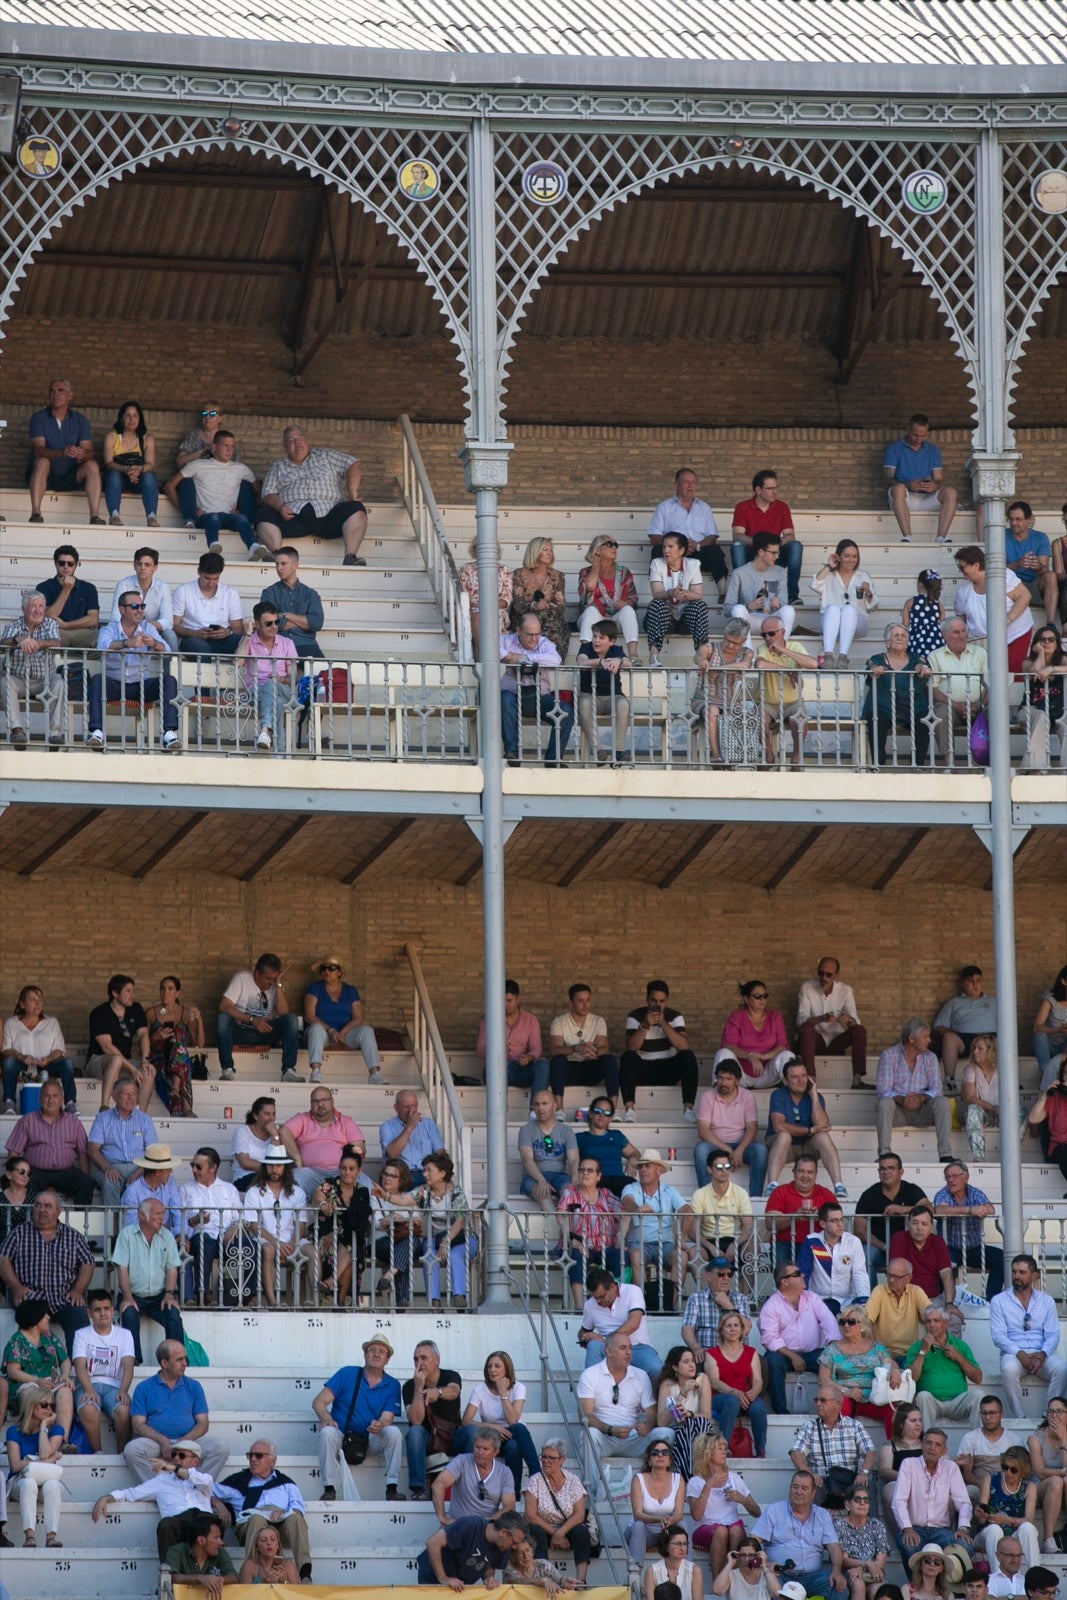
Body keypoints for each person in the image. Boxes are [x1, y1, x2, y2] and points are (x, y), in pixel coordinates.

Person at [255, 424, 368, 565]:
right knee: (262, 513)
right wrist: (280, 507)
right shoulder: (278, 466)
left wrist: (353, 493)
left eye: (300, 438)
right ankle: (279, 556)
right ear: (285, 446)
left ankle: (350, 557)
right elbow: (267, 494)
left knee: (355, 508)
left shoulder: (325, 456)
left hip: (329, 516)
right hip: (292, 518)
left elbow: (353, 463)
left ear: (307, 440)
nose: (297, 443)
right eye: (291, 440)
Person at [87, 585, 181, 751]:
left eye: (142, 606)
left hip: (140, 686)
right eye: (135, 607)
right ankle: (96, 732)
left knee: (169, 681)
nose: (140, 611)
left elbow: (168, 650)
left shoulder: (148, 628)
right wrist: (126, 643)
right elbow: (102, 647)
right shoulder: (110, 628)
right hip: (116, 684)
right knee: (97, 680)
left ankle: (170, 734)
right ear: (122, 609)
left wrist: (155, 644)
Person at [93, 1435, 217, 1560]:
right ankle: (168, 1571)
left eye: (182, 1456)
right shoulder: (162, 1481)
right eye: (174, 1455)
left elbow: (203, 1482)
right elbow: (132, 1493)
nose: (176, 1458)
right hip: (179, 1523)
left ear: (195, 1461)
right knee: (166, 1525)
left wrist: (173, 1468)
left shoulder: (204, 1479)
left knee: (212, 1524)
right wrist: (107, 1497)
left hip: (202, 1521)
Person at [313, 1336, 404, 1503]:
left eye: (382, 1351)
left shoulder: (392, 1384)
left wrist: (380, 1424)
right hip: (342, 1435)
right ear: (365, 1354)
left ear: (387, 1359)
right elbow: (319, 1401)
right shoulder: (347, 1373)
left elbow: (387, 1418)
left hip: (370, 1438)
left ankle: (392, 1487)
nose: (376, 1354)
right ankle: (329, 1489)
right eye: (372, 1350)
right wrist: (326, 1418)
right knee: (326, 1432)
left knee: (393, 1432)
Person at [125, 1338, 229, 1483]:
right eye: (179, 1360)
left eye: (185, 1359)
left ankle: (195, 1485)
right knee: (131, 1450)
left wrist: (183, 1443)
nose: (185, 1363)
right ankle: (157, 1488)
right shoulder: (144, 1388)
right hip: (156, 1443)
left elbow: (203, 1423)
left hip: (188, 1441)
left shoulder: (194, 1386)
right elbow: (137, 1425)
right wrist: (163, 1441)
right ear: (164, 1363)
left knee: (220, 1448)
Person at [0, 1189, 94, 1349]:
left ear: (59, 1210)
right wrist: (16, 1287)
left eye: (48, 1206)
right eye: (38, 1205)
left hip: (64, 1298)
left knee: (79, 1318)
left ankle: (77, 1367)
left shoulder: (73, 1236)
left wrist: (78, 1291)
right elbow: (3, 1259)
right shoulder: (19, 1233)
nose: (41, 1210)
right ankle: (25, 1367)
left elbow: (88, 1263)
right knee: (28, 1322)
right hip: (31, 1297)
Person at [216, 1436, 312, 1578]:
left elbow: (298, 1508)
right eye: (250, 1455)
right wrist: (218, 1504)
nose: (253, 1459)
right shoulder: (239, 1481)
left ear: (273, 1460)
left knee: (296, 1519)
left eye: (259, 1455)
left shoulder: (286, 1484)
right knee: (257, 1519)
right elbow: (206, 1489)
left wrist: (285, 1511)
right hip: (251, 1526)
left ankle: (305, 1573)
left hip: (279, 1529)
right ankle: (252, 1571)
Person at [576, 1329, 673, 1465]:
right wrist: (610, 1429)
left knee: (666, 1433)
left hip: (633, 1437)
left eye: (630, 1348)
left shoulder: (641, 1375)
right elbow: (584, 1415)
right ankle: (592, 1486)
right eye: (623, 1348)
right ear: (608, 1351)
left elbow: (652, 1414)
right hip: (604, 1436)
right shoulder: (590, 1375)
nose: (629, 1353)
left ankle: (655, 1483)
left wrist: (647, 1426)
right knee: (588, 1435)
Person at [989, 1255, 1067, 1418]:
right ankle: (1020, 1417)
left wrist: (1043, 1354)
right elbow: (998, 1336)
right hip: (1014, 1354)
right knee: (1008, 1369)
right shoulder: (999, 1301)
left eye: (1022, 1272)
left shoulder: (1047, 1301)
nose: (1016, 1276)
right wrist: (1019, 1353)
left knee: (1061, 1369)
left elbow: (1053, 1334)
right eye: (1014, 1272)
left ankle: (1048, 1416)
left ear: (1034, 1275)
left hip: (1040, 1354)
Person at [758, 1259, 839, 1414]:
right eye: (796, 1274)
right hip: (784, 1355)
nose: (803, 1275)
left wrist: (833, 1347)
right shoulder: (771, 1305)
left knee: (832, 1359)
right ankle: (780, 1411)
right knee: (772, 1361)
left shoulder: (812, 1298)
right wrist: (793, 1356)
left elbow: (829, 1322)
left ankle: (832, 1408)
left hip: (812, 1353)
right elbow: (770, 1338)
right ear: (784, 1282)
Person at [751, 1469, 847, 1598]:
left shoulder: (822, 1515)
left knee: (839, 1587)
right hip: (781, 1575)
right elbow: (753, 1542)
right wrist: (765, 1565)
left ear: (813, 1493)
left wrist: (836, 1571)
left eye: (804, 1488)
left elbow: (834, 1548)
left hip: (813, 1577)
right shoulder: (774, 1511)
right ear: (790, 1489)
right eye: (795, 1487)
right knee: (768, 1583)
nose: (799, 1492)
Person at [456, 1350, 540, 1496]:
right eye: (489, 1366)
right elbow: (466, 1421)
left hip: (511, 1436)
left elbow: (512, 1420)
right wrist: (493, 1427)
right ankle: (537, 1476)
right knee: (519, 1429)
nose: (492, 1370)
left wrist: (503, 1393)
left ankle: (515, 1493)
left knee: (515, 1438)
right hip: (490, 1438)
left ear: (507, 1368)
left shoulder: (519, 1387)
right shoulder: (481, 1389)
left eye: (497, 1366)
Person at [112, 1196, 185, 1363]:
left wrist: (169, 1294)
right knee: (129, 1313)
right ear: (142, 1216)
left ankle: (177, 1358)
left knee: (173, 1314)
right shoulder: (127, 1235)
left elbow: (172, 1268)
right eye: (158, 1214)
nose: (162, 1218)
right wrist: (128, 1297)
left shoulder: (166, 1236)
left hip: (160, 1295)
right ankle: (134, 1360)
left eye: (163, 1213)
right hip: (133, 1294)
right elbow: (121, 1268)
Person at [166, 430, 262, 557]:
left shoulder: (241, 468)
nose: (229, 450)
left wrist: (243, 509)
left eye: (232, 446)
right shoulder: (198, 465)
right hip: (206, 516)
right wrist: (187, 510)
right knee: (214, 518)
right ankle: (213, 545)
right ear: (214, 447)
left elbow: (261, 491)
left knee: (242, 519)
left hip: (229, 516)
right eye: (225, 445)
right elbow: (169, 486)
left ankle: (253, 548)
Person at [765, 1060, 849, 1198]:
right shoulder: (778, 1094)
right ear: (786, 1080)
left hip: (807, 1147)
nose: (800, 1080)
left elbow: (822, 1125)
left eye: (804, 1075)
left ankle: (839, 1186)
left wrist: (814, 1095)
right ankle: (772, 1186)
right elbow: (779, 1125)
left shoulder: (815, 1096)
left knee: (823, 1136)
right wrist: (810, 1131)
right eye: (794, 1077)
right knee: (784, 1136)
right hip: (784, 1148)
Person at [500, 612, 574, 766]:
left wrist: (522, 658)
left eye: (537, 634)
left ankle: (553, 760)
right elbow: (493, 650)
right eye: (529, 634)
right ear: (518, 630)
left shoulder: (544, 643)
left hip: (540, 698)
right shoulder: (506, 640)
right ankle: (512, 753)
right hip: (513, 696)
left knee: (565, 710)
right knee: (505, 700)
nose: (534, 639)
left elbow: (556, 660)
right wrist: (508, 656)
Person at [621, 1150, 691, 1311]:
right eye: (641, 1167)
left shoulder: (669, 1190)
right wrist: (638, 1208)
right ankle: (641, 1305)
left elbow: (688, 1210)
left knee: (681, 1256)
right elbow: (627, 1202)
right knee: (636, 1255)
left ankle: (670, 1305)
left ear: (659, 1170)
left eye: (647, 1166)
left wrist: (682, 1236)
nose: (643, 1170)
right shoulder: (631, 1187)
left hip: (665, 1244)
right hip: (639, 1243)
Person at [216, 953, 301, 1084]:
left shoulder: (275, 985)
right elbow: (224, 1006)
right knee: (222, 1019)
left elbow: (284, 1013)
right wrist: (251, 1019)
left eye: (274, 978)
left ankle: (289, 1071)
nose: (270, 982)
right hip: (241, 1032)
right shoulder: (242, 978)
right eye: (268, 978)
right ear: (257, 974)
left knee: (291, 1019)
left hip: (265, 1033)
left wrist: (278, 984)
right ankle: (227, 1070)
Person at [620, 981, 699, 1123]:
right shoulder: (635, 1016)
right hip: (643, 1069)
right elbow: (631, 1047)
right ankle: (630, 1110)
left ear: (666, 1000)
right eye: (653, 1000)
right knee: (627, 1057)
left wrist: (663, 1023)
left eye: (662, 1001)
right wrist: (645, 1025)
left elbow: (684, 1046)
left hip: (667, 1069)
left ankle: (688, 1109)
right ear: (647, 999)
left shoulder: (675, 1016)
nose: (658, 1005)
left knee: (688, 1056)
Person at [26, 378, 103, 524]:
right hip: (44, 476)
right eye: (52, 391)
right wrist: (62, 452)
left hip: (70, 476)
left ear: (70, 396)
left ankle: (95, 516)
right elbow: (39, 449)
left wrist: (82, 453)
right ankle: (36, 513)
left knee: (92, 465)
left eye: (61, 390)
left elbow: (89, 451)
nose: (55, 394)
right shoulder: (39, 418)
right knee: (42, 462)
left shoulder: (80, 420)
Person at [242, 1145, 311, 1306]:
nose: (274, 1169)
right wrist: (277, 1243)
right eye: (270, 1165)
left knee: (313, 1252)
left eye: (278, 1166)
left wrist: (293, 1244)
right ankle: (273, 1302)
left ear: (285, 1168)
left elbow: (301, 1223)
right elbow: (253, 1225)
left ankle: (314, 1300)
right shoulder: (254, 1192)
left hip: (292, 1240)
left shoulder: (297, 1192)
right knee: (268, 1250)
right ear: (265, 1167)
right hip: (264, 1240)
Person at [891, 1426, 973, 1560]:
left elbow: (963, 1502)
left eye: (937, 1445)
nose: (932, 1447)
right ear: (922, 1445)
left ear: (944, 1451)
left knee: (965, 1546)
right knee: (909, 1545)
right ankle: (916, 1581)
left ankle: (945, 1582)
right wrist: (907, 1528)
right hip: (914, 1528)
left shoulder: (951, 1468)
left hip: (941, 1531)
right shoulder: (909, 1464)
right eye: (928, 1443)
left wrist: (963, 1527)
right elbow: (899, 1500)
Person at [2, 1297, 75, 1448]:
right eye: (44, 1315)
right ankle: (32, 1441)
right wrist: (36, 1380)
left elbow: (65, 1360)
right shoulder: (17, 1341)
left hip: (49, 1384)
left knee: (66, 1391)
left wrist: (66, 1375)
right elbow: (13, 1371)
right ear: (34, 1319)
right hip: (26, 1385)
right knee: (32, 1394)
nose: (48, 1317)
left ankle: (61, 1441)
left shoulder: (48, 1336)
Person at [5, 1077, 91, 1203]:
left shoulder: (73, 1122)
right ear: (40, 1099)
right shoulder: (28, 1120)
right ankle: (29, 1221)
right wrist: (14, 1177)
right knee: (25, 1182)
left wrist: (85, 1175)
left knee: (86, 1182)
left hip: (66, 1173)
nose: (51, 1100)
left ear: (62, 1099)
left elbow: (83, 1153)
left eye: (55, 1096)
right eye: (46, 1096)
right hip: (36, 1172)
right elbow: (14, 1153)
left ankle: (81, 1221)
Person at [875, 1021, 952, 1161]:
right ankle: (884, 1155)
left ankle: (945, 1155)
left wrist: (921, 1097)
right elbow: (883, 1090)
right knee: (885, 1103)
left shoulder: (930, 1057)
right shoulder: (889, 1055)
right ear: (911, 1039)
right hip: (898, 1111)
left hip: (923, 1111)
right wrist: (901, 1099)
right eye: (925, 1036)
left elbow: (937, 1089)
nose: (929, 1040)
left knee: (943, 1101)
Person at [71, 1287, 135, 1451]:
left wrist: (124, 1390)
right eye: (97, 1310)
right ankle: (98, 1453)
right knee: (89, 1409)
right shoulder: (81, 1334)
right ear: (89, 1313)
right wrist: (89, 1389)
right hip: (87, 1386)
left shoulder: (125, 1334)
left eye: (106, 1308)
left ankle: (122, 1454)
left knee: (124, 1410)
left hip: (114, 1387)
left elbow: (128, 1365)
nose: (103, 1313)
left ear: (113, 1311)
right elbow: (79, 1365)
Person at [819, 1310, 901, 1439]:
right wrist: (847, 1391)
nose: (846, 1325)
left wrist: (895, 1371)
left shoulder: (876, 1347)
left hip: (875, 1397)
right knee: (837, 1407)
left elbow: (890, 1363)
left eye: (851, 1322)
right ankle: (841, 1450)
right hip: (845, 1396)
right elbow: (824, 1378)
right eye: (842, 1322)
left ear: (863, 1326)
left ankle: (893, 1451)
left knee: (895, 1413)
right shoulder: (832, 1349)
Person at [790, 1385, 877, 1507]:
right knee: (809, 1486)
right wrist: (809, 1474)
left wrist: (864, 1472)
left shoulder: (854, 1425)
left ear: (838, 1404)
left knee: (868, 1484)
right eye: (817, 1400)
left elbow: (870, 1452)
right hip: (822, 1482)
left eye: (823, 1400)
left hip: (850, 1480)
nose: (818, 1404)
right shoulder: (809, 1427)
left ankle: (873, 1526)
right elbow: (796, 1453)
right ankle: (813, 1526)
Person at [693, 1055, 767, 1195]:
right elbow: (703, 1131)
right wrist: (728, 1150)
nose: (723, 1082)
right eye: (720, 1078)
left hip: (741, 1146)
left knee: (761, 1150)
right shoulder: (707, 1096)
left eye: (728, 1079)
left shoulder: (747, 1096)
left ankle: (755, 1197)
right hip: (716, 1146)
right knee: (701, 1149)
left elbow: (752, 1129)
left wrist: (739, 1150)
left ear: (737, 1081)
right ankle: (706, 1196)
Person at [0, 591, 66, 749]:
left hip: (45, 680)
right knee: (6, 681)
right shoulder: (14, 626)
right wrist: (18, 640)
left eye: (41, 606)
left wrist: (37, 643)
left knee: (59, 683)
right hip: (19, 679)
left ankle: (54, 733)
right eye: (33, 607)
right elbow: (3, 643)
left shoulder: (50, 624)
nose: (38, 610)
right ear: (23, 609)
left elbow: (56, 642)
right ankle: (17, 731)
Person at [412, 1149, 477, 1308]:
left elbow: (460, 1220)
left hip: (463, 1239)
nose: (425, 1174)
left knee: (455, 1255)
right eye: (424, 1170)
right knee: (429, 1257)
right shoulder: (424, 1192)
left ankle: (459, 1297)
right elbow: (404, 1199)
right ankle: (434, 1303)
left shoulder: (456, 1192)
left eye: (429, 1170)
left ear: (442, 1173)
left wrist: (445, 1243)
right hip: (435, 1240)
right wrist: (386, 1195)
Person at [954, 546, 1034, 674]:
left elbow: (1025, 596)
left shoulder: (1002, 575)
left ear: (975, 565)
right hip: (984, 642)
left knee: (1013, 668)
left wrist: (1007, 620)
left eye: (962, 567)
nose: (961, 570)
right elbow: (961, 619)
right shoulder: (963, 592)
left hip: (1015, 633)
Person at [523, 1437, 592, 1584]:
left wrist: (562, 1532)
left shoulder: (573, 1480)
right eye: (544, 1457)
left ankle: (581, 1581)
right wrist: (555, 1534)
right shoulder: (535, 1480)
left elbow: (579, 1515)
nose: (546, 1461)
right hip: (544, 1529)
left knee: (581, 1531)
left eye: (551, 1458)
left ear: (562, 1460)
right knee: (535, 1530)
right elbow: (531, 1516)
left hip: (567, 1530)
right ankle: (545, 1577)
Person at [862, 624, 932, 767]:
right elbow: (871, 666)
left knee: (924, 719)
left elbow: (920, 665)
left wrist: (923, 668)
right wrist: (875, 669)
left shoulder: (915, 659)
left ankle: (918, 764)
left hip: (912, 707)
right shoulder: (878, 659)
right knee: (876, 718)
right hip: (885, 706)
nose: (900, 638)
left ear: (908, 641)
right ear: (887, 642)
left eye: (903, 635)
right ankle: (878, 764)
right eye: (896, 635)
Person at [932, 1158, 1003, 1300]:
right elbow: (939, 1210)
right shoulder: (943, 1193)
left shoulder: (974, 1192)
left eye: (955, 1176)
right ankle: (945, 1301)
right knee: (943, 1265)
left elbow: (990, 1208)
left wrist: (978, 1210)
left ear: (966, 1177)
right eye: (948, 1177)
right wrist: (970, 1210)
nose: (951, 1180)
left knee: (1001, 1258)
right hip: (950, 1248)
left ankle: (991, 1300)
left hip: (974, 1248)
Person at [650, 466, 729, 594]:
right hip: (673, 554)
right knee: (657, 550)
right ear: (677, 485)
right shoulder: (664, 507)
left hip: (698, 552)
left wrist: (698, 545)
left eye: (693, 482)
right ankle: (662, 593)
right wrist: (678, 546)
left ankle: (723, 593)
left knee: (715, 551)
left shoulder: (704, 508)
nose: (690, 485)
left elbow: (712, 536)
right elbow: (654, 536)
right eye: (686, 482)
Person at [281, 1085, 367, 1201]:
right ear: (311, 1104)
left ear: (332, 1101)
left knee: (367, 1185)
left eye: (324, 1100)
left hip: (341, 1172)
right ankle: (297, 1218)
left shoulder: (346, 1121)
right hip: (310, 1173)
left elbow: (358, 1148)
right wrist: (297, 1158)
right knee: (291, 1180)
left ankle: (380, 1218)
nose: (320, 1104)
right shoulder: (303, 1118)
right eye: (316, 1101)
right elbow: (283, 1131)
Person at [882, 414, 958, 545]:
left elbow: (939, 479)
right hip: (903, 498)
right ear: (908, 430)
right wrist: (907, 485)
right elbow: (886, 479)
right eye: (915, 435)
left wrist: (935, 486)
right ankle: (907, 537)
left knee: (951, 492)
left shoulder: (933, 450)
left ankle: (941, 537)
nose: (919, 439)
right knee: (898, 488)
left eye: (923, 436)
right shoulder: (895, 448)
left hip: (927, 499)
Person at [178, 1147, 242, 1305]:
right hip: (199, 1236)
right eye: (193, 1165)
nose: (194, 1169)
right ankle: (201, 1294)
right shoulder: (186, 1189)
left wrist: (235, 1226)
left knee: (249, 1246)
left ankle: (250, 1296)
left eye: (199, 1166)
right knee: (204, 1243)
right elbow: (179, 1220)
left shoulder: (229, 1189)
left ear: (213, 1168)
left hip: (226, 1236)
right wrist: (194, 1222)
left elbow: (241, 1215)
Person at [687, 1430, 759, 1568]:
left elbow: (757, 1512)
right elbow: (696, 1515)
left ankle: (734, 1579)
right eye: (719, 1448)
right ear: (707, 1452)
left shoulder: (734, 1478)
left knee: (735, 1530)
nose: (724, 1452)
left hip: (732, 1527)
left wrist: (742, 1499)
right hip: (705, 1528)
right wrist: (709, 1484)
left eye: (725, 1448)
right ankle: (718, 1585)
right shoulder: (696, 1482)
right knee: (721, 1531)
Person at [795, 958, 869, 1091]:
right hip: (815, 1040)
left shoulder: (845, 990)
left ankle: (857, 1081)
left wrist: (848, 1020)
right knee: (806, 1028)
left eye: (829, 974)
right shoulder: (807, 987)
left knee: (860, 1030)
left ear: (836, 975)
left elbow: (856, 1022)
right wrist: (823, 1018)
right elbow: (801, 1021)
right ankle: (811, 1080)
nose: (824, 977)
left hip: (836, 1042)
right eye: (821, 973)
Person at [6, 1384, 66, 1548]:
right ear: (32, 1406)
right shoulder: (14, 1431)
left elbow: (45, 1453)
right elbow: (15, 1466)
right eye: (44, 1405)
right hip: (20, 1481)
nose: (49, 1410)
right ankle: (29, 1536)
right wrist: (47, 1461)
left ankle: (51, 1536)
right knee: (29, 1482)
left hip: (45, 1481)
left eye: (52, 1406)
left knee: (53, 1484)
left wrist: (43, 1427)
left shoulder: (56, 1429)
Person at [557, 1156, 622, 1306]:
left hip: (605, 1246)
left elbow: (625, 1215)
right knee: (576, 1256)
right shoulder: (571, 1192)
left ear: (599, 1176)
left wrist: (621, 1236)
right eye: (582, 1170)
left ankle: (617, 1303)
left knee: (622, 1255)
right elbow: (561, 1216)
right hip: (579, 1245)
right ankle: (580, 1307)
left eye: (590, 1170)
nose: (585, 1173)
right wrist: (573, 1239)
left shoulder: (606, 1194)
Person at [403, 1339, 463, 1501]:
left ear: (437, 1360)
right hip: (427, 1441)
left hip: (451, 1437)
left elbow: (454, 1391)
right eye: (416, 1359)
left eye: (424, 1358)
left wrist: (438, 1392)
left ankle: (470, 1485)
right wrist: (418, 1388)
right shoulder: (409, 1386)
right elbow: (416, 1420)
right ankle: (418, 1489)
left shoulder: (450, 1375)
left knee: (471, 1432)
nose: (419, 1363)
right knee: (414, 1432)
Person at [731, 469, 803, 603]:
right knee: (737, 546)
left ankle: (792, 595)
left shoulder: (782, 507)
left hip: (774, 555)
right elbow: (737, 535)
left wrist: (772, 546)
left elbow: (790, 535)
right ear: (758, 490)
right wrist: (760, 543)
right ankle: (742, 596)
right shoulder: (743, 507)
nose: (775, 492)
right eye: (770, 488)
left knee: (795, 546)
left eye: (776, 488)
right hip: (752, 555)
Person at [1, 985, 76, 1114]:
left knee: (67, 1063)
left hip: (46, 1065)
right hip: (23, 1067)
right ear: (22, 1003)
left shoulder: (51, 1022)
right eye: (33, 999)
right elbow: (6, 1050)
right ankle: (9, 1103)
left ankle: (70, 1103)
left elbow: (59, 1049)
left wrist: (49, 1059)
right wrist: (21, 1057)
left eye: (40, 1000)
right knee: (8, 1063)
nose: (38, 1003)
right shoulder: (11, 1023)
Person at [853, 1153, 928, 1282]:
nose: (886, 1172)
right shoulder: (869, 1194)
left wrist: (902, 1209)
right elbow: (860, 1230)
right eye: (882, 1168)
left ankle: (917, 1299)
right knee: (866, 1254)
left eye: (891, 1168)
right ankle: (869, 1300)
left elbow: (928, 1208)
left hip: (909, 1248)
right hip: (880, 1249)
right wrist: (885, 1247)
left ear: (901, 1171)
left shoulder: (911, 1189)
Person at [905, 1305, 982, 1429]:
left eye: (936, 1320)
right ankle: (927, 1443)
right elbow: (912, 1378)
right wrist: (923, 1351)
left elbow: (978, 1378)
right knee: (922, 1396)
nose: (932, 1325)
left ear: (946, 1324)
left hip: (958, 1402)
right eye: (928, 1321)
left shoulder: (960, 1346)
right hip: (932, 1403)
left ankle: (978, 1444)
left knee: (978, 1395)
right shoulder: (917, 1347)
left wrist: (959, 1357)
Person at [705, 1308, 769, 1456]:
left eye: (736, 1325)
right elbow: (714, 1382)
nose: (733, 1329)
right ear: (721, 1331)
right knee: (732, 1401)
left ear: (741, 1330)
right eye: (728, 1325)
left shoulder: (751, 1352)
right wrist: (735, 1392)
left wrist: (754, 1392)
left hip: (746, 1397)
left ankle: (761, 1451)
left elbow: (758, 1380)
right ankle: (723, 1448)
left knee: (759, 1408)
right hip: (720, 1398)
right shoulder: (712, 1354)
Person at [694, 619, 758, 764]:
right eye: (727, 640)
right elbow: (698, 656)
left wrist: (717, 669)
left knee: (747, 712)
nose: (730, 646)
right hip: (703, 700)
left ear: (744, 641)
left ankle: (734, 758)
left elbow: (745, 665)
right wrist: (702, 661)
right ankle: (716, 757)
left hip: (730, 703)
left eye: (736, 643)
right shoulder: (711, 648)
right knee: (713, 710)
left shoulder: (747, 652)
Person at [87, 972, 152, 1114]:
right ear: (115, 993)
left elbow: (143, 1035)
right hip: (99, 1061)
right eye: (128, 991)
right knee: (116, 1059)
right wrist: (132, 1069)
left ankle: (140, 1115)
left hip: (126, 1061)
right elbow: (107, 1047)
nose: (133, 995)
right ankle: (104, 1108)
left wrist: (145, 1060)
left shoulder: (136, 1008)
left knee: (149, 1070)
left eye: (133, 991)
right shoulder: (99, 1013)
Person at [578, 1263, 661, 1374]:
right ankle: (592, 1390)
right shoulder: (590, 1304)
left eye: (601, 1296)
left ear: (612, 1287)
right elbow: (584, 1330)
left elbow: (634, 1323)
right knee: (593, 1345)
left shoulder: (633, 1291)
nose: (598, 1301)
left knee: (657, 1369)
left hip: (636, 1347)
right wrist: (584, 1337)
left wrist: (604, 1338)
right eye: (595, 1297)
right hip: (607, 1349)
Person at [478, 978, 550, 1104]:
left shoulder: (530, 1020)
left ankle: (534, 1113)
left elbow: (537, 1049)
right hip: (497, 1068)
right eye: (502, 1000)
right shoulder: (488, 1021)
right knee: (497, 1069)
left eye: (509, 1000)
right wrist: (496, 1048)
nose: (505, 1004)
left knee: (543, 1065)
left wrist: (528, 1058)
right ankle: (500, 1117)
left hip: (521, 1069)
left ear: (518, 999)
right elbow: (480, 1052)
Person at [312, 1145, 370, 1302]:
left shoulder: (363, 1192)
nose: (347, 1172)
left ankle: (331, 1283)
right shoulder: (328, 1185)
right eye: (343, 1168)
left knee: (352, 1246)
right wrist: (323, 1204)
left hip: (351, 1237)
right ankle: (340, 1303)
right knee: (351, 1251)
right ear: (339, 1168)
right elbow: (316, 1200)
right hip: (327, 1237)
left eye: (352, 1169)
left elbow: (361, 1220)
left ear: (358, 1171)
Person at [548, 983, 620, 1109]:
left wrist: (593, 1051)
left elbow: (604, 1048)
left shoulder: (598, 1020)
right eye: (580, 1001)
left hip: (590, 1067)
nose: (585, 1005)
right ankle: (559, 1109)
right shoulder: (559, 1021)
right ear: (571, 1003)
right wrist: (577, 1048)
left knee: (609, 1059)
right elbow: (554, 1049)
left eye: (588, 1000)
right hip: (569, 1070)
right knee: (558, 1060)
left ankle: (612, 1108)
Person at [237, 601, 296, 753]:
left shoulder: (287, 643)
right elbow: (237, 664)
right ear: (257, 624)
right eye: (268, 623)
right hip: (255, 692)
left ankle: (265, 730)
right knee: (278, 703)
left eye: (277, 622)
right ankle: (281, 753)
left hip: (282, 688)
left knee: (271, 685)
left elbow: (294, 678)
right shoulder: (248, 641)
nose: (274, 627)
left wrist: (281, 679)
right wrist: (248, 634)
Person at [417, 1508, 529, 1588]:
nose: (515, 1547)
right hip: (433, 1576)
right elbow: (432, 1542)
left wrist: (488, 1578)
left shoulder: (504, 1546)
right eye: (514, 1542)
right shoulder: (471, 1525)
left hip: (461, 1583)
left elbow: (490, 1566)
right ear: (503, 1532)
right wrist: (443, 1578)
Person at [973, 1446, 1040, 1573]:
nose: (1008, 1472)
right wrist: (980, 1514)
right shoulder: (990, 1479)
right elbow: (982, 1520)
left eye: (1013, 1470)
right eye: (1005, 1467)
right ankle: (997, 1577)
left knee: (1028, 1528)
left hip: (1013, 1535)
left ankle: (1035, 1575)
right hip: (987, 1532)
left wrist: (1007, 1520)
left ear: (1022, 1471)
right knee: (994, 1529)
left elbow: (1029, 1519)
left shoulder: (1029, 1487)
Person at [811, 541, 878, 668]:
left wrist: (868, 591)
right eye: (846, 556)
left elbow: (874, 606)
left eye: (854, 556)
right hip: (830, 622)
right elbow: (814, 585)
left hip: (857, 625)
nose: (851, 560)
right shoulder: (829, 575)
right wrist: (828, 566)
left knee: (849, 609)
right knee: (833, 609)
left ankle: (843, 657)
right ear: (838, 557)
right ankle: (828, 655)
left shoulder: (863, 576)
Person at [647, 532, 711, 664]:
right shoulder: (657, 563)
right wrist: (671, 593)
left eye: (671, 547)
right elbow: (656, 593)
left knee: (700, 605)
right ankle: (653, 655)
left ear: (681, 550)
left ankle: (701, 654)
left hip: (685, 621)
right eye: (664, 547)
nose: (666, 551)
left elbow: (699, 594)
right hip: (664, 620)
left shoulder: (693, 564)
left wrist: (686, 594)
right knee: (657, 603)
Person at [933, 967, 999, 1093]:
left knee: (1006, 1037)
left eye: (978, 980)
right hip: (965, 1039)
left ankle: (1011, 1079)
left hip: (991, 1039)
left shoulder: (994, 1002)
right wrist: (950, 1033)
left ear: (982, 982)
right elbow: (938, 1025)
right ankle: (949, 1080)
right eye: (970, 981)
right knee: (949, 1037)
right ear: (963, 983)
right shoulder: (953, 1003)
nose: (975, 984)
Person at [146, 975, 203, 1119]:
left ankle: (176, 1088)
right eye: (162, 988)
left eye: (170, 989)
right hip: (158, 1057)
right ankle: (186, 1108)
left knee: (178, 1042)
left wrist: (199, 1019)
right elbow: (143, 1044)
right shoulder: (151, 1013)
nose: (165, 992)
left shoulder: (185, 1013)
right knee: (182, 1058)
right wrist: (156, 1037)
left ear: (178, 993)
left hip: (179, 1057)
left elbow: (199, 1043)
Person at [764, 1153, 836, 1267]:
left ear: (816, 1174)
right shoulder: (781, 1192)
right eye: (801, 1171)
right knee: (785, 1274)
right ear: (794, 1172)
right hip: (785, 1244)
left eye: (810, 1172)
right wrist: (796, 1216)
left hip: (819, 1244)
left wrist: (822, 1217)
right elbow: (769, 1223)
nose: (805, 1176)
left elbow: (837, 1223)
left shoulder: (826, 1194)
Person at [681, 1256, 753, 1369]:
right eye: (721, 1274)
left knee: (762, 1364)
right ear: (709, 1276)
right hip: (707, 1354)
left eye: (729, 1274)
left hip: (736, 1354)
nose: (726, 1278)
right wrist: (696, 1348)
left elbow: (746, 1329)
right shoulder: (696, 1299)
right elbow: (687, 1330)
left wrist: (728, 1305)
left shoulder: (740, 1299)